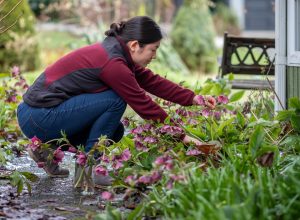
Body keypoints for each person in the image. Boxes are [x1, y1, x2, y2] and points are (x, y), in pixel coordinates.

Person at [17, 16, 215, 181]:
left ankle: (46, 151)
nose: (154, 55)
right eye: (153, 49)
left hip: (36, 115)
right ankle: (89, 169)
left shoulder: (117, 54)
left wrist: (194, 98)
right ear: (135, 45)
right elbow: (143, 105)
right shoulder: (113, 63)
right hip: (38, 116)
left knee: (114, 131)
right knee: (116, 99)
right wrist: (182, 136)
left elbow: (152, 82)